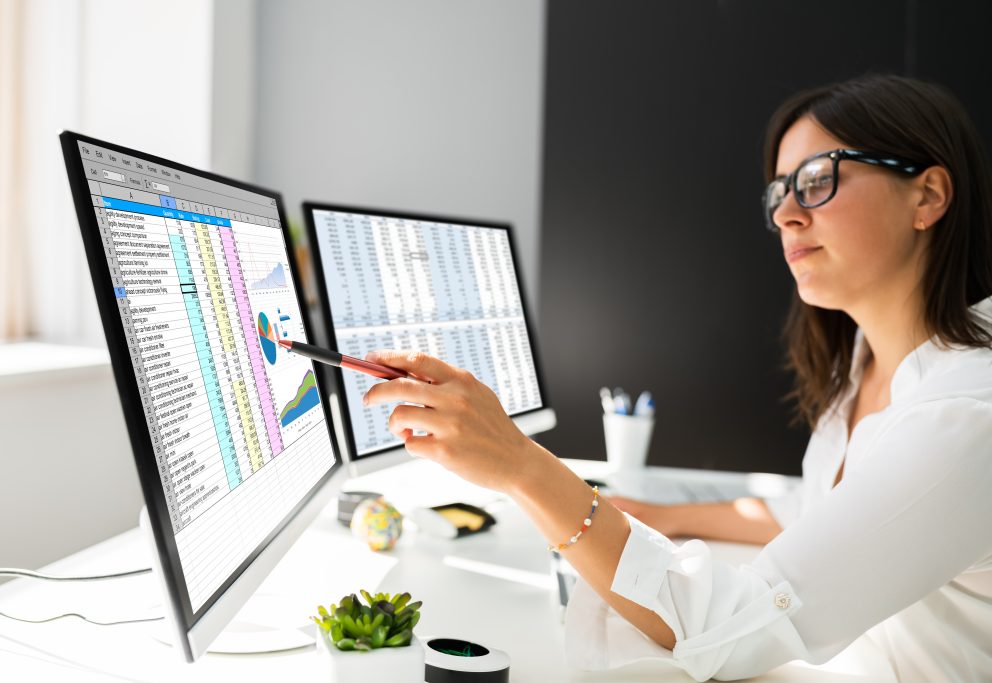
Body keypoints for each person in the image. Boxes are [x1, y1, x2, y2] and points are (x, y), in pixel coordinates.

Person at [362, 74, 992, 682]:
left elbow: (727, 634)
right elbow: (819, 508)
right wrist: (656, 513)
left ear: (928, 196)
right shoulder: (864, 364)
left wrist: (522, 466)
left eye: (818, 180)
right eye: (779, 192)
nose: (787, 215)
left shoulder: (966, 414)